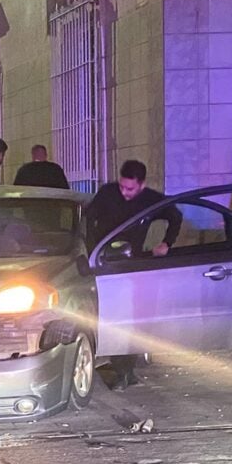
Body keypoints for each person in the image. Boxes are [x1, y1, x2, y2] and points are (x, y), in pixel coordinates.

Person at [83, 159, 183, 390]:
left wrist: (166, 243)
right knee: (111, 318)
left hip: (134, 265)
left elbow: (175, 216)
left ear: (141, 185)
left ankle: (126, 370)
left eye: (130, 189)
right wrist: (91, 252)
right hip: (105, 263)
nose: (125, 193)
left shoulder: (150, 199)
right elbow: (88, 219)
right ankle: (120, 367)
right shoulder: (108, 193)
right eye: (122, 187)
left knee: (134, 320)